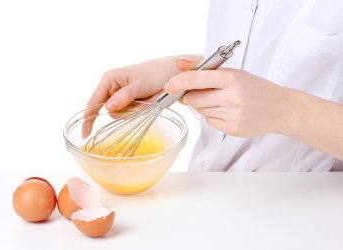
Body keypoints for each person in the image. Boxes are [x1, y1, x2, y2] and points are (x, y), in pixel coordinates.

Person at [84, 0, 343, 171]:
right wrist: (179, 71)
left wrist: (284, 110)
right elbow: (273, 62)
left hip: (304, 219)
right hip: (207, 195)